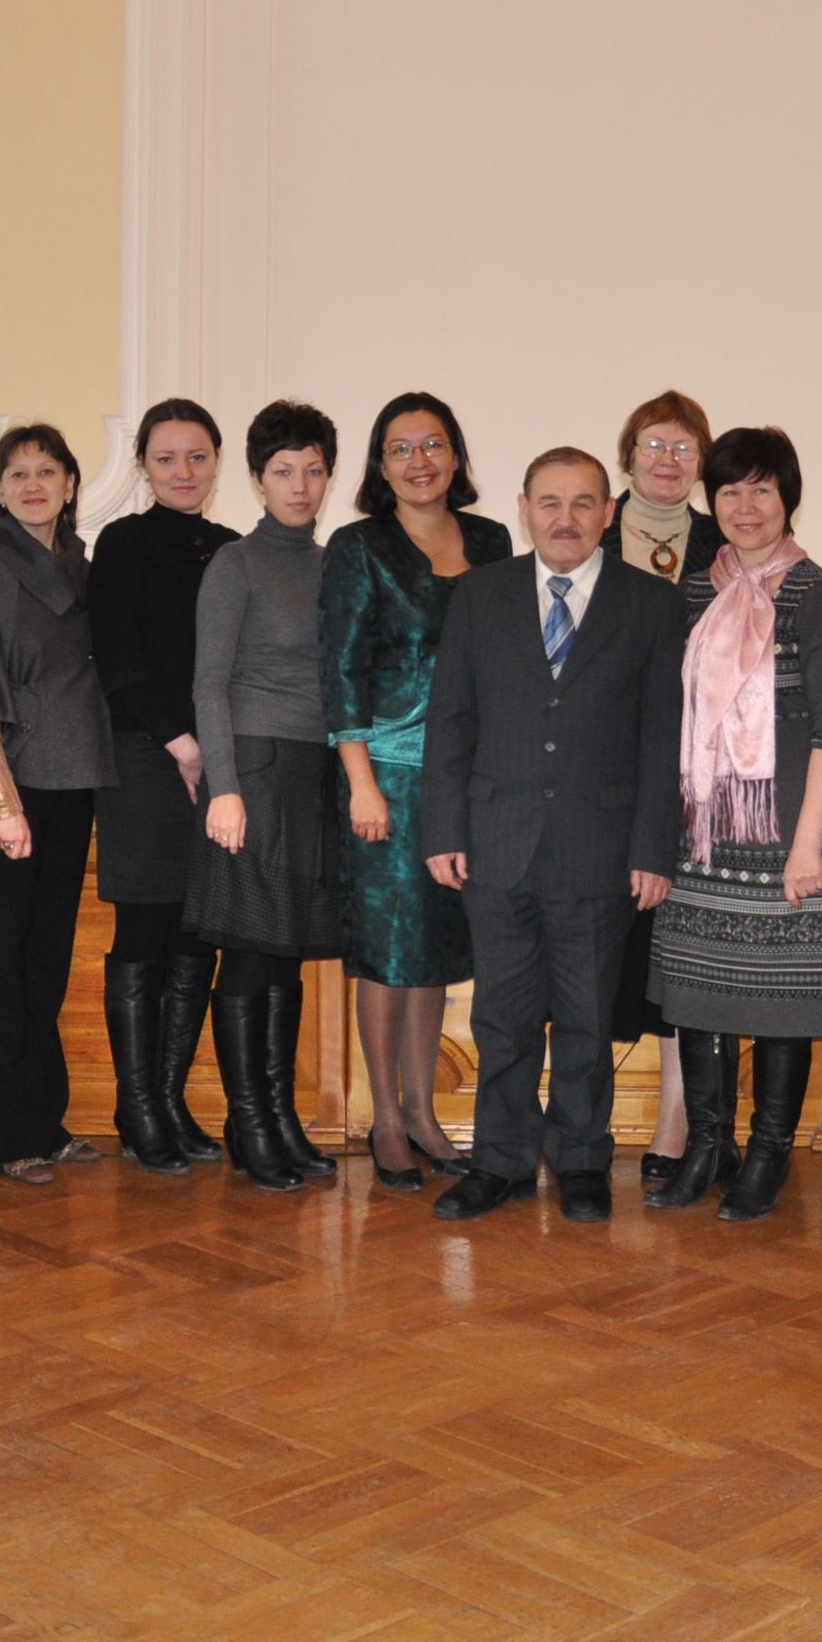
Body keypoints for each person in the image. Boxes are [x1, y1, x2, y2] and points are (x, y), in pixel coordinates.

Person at [422, 448, 689, 1223]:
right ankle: (500, 1162)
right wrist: (443, 828)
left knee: (586, 1017)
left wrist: (652, 848)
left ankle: (580, 1161)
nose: (565, 519)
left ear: (609, 512)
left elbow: (662, 736)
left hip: (600, 847)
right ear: (524, 510)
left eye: (582, 503)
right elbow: (451, 718)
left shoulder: (652, 603)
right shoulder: (480, 595)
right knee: (501, 1017)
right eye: (549, 503)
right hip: (494, 841)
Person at [647, 427, 822, 1224]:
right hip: (704, 838)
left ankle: (769, 1152)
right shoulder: (692, 594)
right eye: (730, 490)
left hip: (790, 837)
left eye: (761, 490)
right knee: (699, 995)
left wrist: (807, 845)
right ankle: (709, 1144)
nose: (745, 506)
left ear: (787, 499)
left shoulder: (818, 594)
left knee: (782, 1000)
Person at [322, 392, 514, 1193]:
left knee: (433, 947)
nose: (419, 461)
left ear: (456, 454)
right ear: (380, 465)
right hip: (388, 779)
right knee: (388, 951)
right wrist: (361, 784)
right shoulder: (358, 545)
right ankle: (385, 1120)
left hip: (469, 780)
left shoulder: (493, 540)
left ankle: (425, 1113)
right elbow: (340, 669)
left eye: (433, 444)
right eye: (400, 448)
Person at [185, 401, 349, 1193]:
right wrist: (224, 789)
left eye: (314, 470)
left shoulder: (332, 565)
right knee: (252, 950)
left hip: (314, 772)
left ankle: (280, 1118)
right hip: (251, 771)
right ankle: (247, 1123)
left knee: (288, 955)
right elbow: (208, 683)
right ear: (257, 479)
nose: (301, 485)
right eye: (284, 471)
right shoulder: (236, 563)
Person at [0, 424, 115, 1184]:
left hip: (74, 780)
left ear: (71, 483)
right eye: (17, 474)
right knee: (2, 960)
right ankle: (6, 1135)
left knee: (46, 958)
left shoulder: (83, 565)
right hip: (8, 787)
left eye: (47, 471)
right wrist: (3, 803)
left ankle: (45, 1121)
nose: (33, 485)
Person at [87, 400, 241, 1174]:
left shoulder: (233, 548)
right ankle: (136, 1107)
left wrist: (214, 757)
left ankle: (172, 1101)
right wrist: (182, 745)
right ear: (143, 466)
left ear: (217, 462)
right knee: (145, 932)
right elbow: (117, 657)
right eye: (166, 458)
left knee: (196, 934)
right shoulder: (122, 542)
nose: (184, 471)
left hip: (220, 768)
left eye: (198, 456)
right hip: (147, 760)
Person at [602, 391, 722, 1183]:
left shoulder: (728, 544)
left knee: (682, 954)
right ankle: (579, 1117)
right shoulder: (586, 530)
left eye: (684, 448)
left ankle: (677, 1124)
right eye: (654, 445)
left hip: (701, 781)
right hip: (599, 777)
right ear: (627, 455)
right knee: (594, 950)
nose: (668, 460)